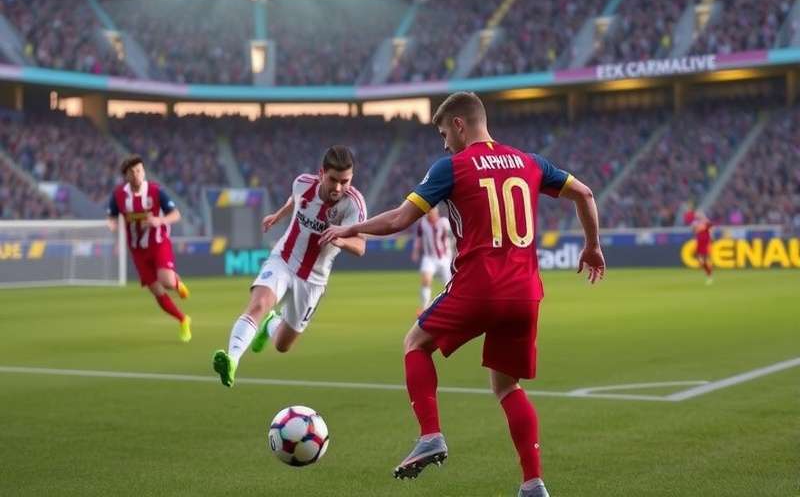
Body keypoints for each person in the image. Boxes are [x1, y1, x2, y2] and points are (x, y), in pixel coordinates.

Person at [321, 92, 605, 497]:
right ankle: (533, 484)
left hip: (479, 285)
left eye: (442, 132)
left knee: (414, 344)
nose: (443, 143)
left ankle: (430, 434)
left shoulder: (451, 167)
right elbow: (587, 194)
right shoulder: (530, 162)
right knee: (508, 387)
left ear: (458, 124)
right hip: (525, 293)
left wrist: (351, 228)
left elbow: (401, 219)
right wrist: (592, 245)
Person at [212, 145, 367, 388]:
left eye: (344, 181)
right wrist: (278, 215)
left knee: (283, 345)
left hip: (314, 280)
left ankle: (270, 324)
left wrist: (339, 238)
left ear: (352, 178)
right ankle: (232, 359)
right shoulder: (302, 183)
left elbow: (360, 246)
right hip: (283, 259)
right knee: (259, 304)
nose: (338, 187)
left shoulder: (354, 205)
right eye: (333, 180)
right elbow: (295, 200)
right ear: (321, 174)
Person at [107, 155, 191, 342]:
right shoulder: (119, 195)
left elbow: (176, 214)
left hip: (158, 242)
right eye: (132, 172)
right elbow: (112, 215)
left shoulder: (155, 191)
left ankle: (176, 282)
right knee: (156, 290)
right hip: (137, 250)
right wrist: (112, 224)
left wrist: (159, 220)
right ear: (126, 176)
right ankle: (183, 320)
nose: (136, 174)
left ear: (144, 172)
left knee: (166, 281)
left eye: (139, 170)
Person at [411, 206, 453, 311]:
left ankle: (452, 306)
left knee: (449, 284)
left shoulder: (444, 222)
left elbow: (452, 238)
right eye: (429, 213)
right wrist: (416, 251)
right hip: (429, 257)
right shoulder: (422, 223)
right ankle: (425, 308)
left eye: (433, 212)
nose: (431, 215)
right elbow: (419, 238)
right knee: (426, 280)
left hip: (444, 258)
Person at [691, 211, 714, 284]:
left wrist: (711, 238)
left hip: (705, 242)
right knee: (701, 260)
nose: (697, 216)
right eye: (697, 215)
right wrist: (694, 228)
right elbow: (694, 232)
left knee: (705, 259)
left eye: (699, 214)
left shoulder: (707, 222)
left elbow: (711, 230)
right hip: (699, 242)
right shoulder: (695, 223)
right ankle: (708, 273)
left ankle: (709, 275)